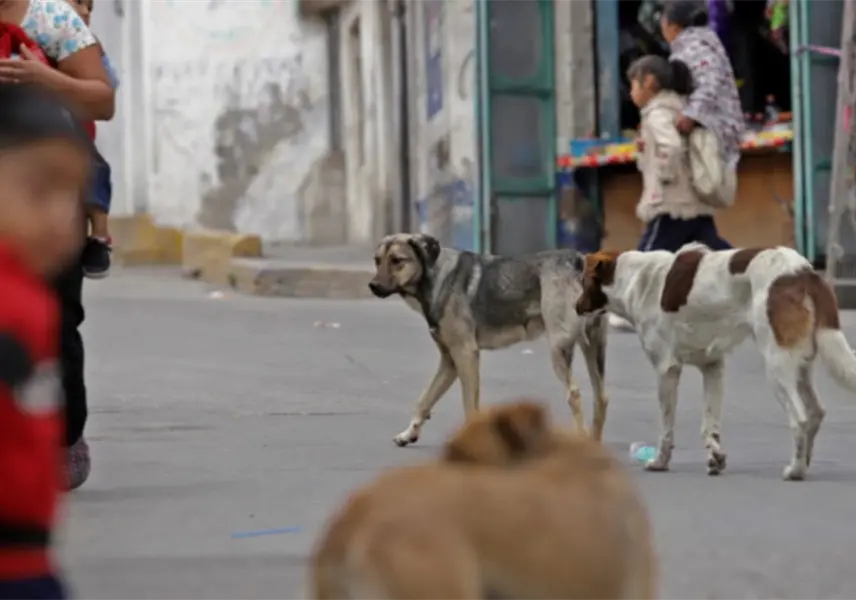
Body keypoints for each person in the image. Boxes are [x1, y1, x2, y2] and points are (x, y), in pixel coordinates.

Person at [0, 0, 116, 489]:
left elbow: (102, 101)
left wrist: (45, 81)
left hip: (45, 200)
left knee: (54, 320)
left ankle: (64, 438)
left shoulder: (49, 17)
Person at [0, 82, 93, 600]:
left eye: (72, 196)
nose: (61, 217)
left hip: (28, 559)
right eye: (39, 191)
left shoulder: (34, 299)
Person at [66, 0, 119, 280]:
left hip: (77, 137)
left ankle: (99, 236)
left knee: (95, 169)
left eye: (90, 7)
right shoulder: (32, 37)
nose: (85, 12)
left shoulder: (88, 45)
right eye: (77, 3)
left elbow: (108, 87)